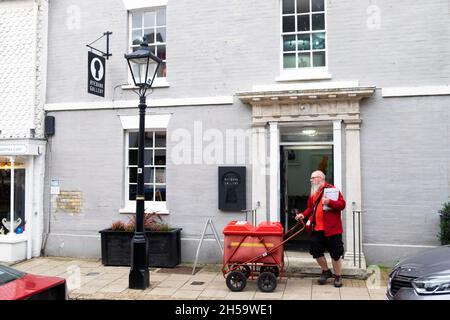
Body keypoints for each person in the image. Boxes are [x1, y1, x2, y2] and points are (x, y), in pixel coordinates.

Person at [295, 170, 346, 288]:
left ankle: (338, 276)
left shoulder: (332, 189)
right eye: (311, 178)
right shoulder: (314, 192)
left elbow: (342, 205)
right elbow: (310, 208)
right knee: (315, 250)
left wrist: (329, 202)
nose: (311, 180)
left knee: (336, 253)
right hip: (318, 228)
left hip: (333, 229)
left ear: (321, 178)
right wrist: (303, 214)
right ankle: (325, 271)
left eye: (313, 178)